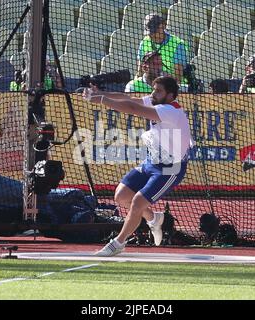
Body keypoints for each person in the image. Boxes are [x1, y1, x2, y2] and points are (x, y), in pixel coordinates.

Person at [82, 76, 191, 256]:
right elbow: (130, 100)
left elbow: (133, 108)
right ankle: (153, 218)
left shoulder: (171, 111)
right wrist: (101, 92)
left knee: (138, 202)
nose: (153, 93)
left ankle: (118, 243)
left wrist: (101, 100)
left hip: (171, 167)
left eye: (158, 91)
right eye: (153, 89)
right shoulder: (156, 101)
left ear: (170, 95)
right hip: (152, 161)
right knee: (121, 195)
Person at [137, 14, 188, 83]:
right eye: (150, 32)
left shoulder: (177, 44)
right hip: (148, 84)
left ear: (163, 26)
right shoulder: (144, 42)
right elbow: (140, 72)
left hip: (171, 86)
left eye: (154, 31)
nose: (152, 35)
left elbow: (178, 78)